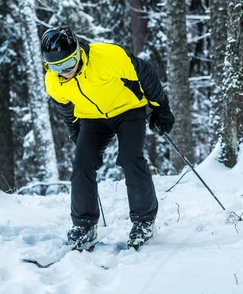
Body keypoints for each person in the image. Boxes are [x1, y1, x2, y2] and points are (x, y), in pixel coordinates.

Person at [41, 26, 175, 250]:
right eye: (56, 67)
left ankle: (144, 222)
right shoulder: (53, 81)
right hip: (92, 119)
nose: (64, 71)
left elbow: (146, 73)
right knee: (82, 164)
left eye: (67, 63)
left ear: (77, 53)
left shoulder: (108, 56)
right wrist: (75, 132)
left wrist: (161, 108)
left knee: (130, 159)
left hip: (128, 110)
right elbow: (66, 109)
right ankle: (84, 226)